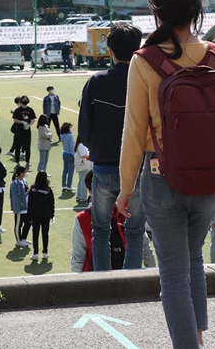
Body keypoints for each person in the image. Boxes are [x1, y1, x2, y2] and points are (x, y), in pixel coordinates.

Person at [116, 0, 215, 348]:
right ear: (197, 10)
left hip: (163, 179)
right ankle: (197, 338)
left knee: (174, 275)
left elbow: (133, 131)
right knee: (192, 258)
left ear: (156, 12)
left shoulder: (144, 60)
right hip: (213, 181)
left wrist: (125, 188)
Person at [78, 22, 148, 273]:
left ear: (110, 50)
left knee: (100, 230)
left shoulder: (97, 81)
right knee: (136, 231)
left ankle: (103, 284)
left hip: (105, 166)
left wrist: (92, 144)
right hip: (138, 168)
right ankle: (131, 283)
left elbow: (85, 125)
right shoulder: (145, 81)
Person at [71, 170, 157, 272]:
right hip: (129, 279)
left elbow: (78, 258)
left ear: (90, 191)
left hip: (95, 280)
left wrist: (76, 282)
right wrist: (153, 274)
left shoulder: (82, 219)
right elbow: (146, 249)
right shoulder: (128, 213)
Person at [27, 172, 55, 260]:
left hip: (35, 215)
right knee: (45, 233)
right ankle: (45, 252)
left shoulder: (32, 189)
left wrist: (29, 216)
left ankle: (35, 253)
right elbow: (52, 204)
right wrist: (52, 215)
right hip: (46, 214)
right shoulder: (48, 190)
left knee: (35, 233)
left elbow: (30, 203)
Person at [12, 95, 36, 169]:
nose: (25, 100)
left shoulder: (30, 109)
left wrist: (29, 125)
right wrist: (22, 122)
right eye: (23, 99)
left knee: (28, 146)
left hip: (27, 130)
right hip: (19, 130)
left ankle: (27, 161)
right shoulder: (18, 110)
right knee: (18, 146)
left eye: (26, 99)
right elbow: (15, 119)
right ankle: (17, 162)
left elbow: (33, 119)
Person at [10, 164, 30, 247]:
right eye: (25, 172)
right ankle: (18, 240)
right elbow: (14, 197)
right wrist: (17, 208)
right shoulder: (14, 184)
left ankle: (23, 238)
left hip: (26, 207)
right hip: (20, 208)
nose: (26, 173)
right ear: (21, 173)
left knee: (28, 223)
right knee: (18, 224)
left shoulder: (24, 181)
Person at [60, 122, 75, 191]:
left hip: (64, 153)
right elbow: (72, 148)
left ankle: (63, 184)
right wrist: (74, 156)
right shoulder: (70, 136)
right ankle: (69, 185)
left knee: (65, 170)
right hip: (70, 154)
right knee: (71, 171)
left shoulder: (62, 135)